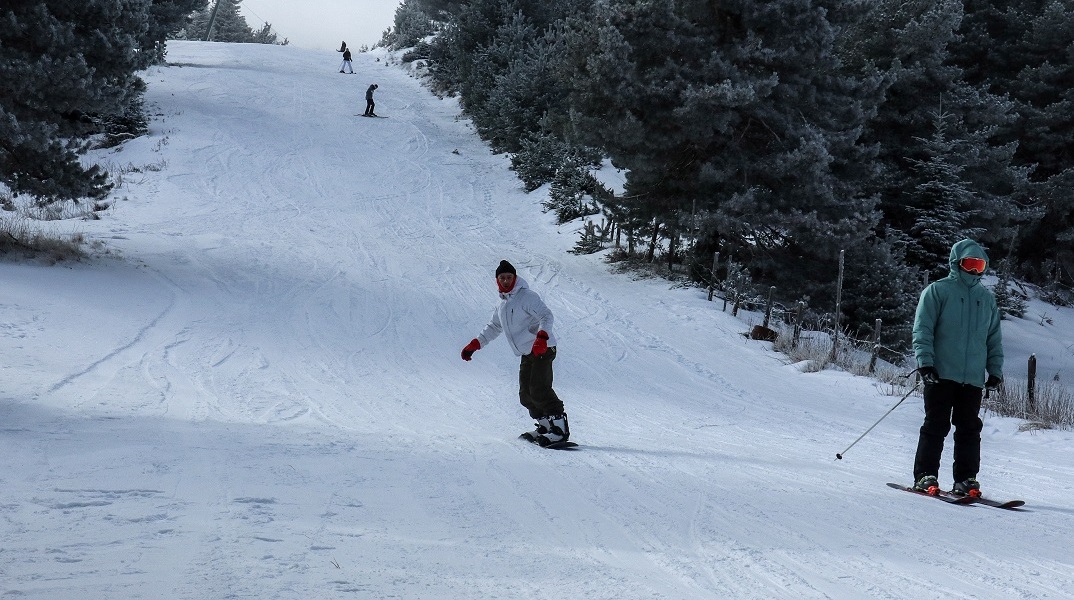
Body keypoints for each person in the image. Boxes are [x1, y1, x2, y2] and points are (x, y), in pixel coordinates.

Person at [911, 238, 1003, 497]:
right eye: (969, 263)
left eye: (980, 265)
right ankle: (925, 475)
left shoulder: (986, 299)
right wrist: (925, 363)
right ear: (957, 263)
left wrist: (994, 370)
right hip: (941, 374)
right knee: (936, 425)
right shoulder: (938, 291)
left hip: (972, 378)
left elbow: (993, 338)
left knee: (969, 430)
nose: (974, 270)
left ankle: (966, 479)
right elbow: (923, 329)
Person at [460, 260, 570, 446]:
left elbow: (546, 316)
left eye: (509, 277)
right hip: (527, 352)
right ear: (497, 280)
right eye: (502, 277)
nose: (505, 280)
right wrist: (476, 344)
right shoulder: (502, 303)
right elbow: (494, 326)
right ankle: (545, 426)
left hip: (543, 348)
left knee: (539, 388)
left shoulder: (526, 296)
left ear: (515, 277)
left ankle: (559, 429)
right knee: (525, 394)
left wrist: (542, 337)